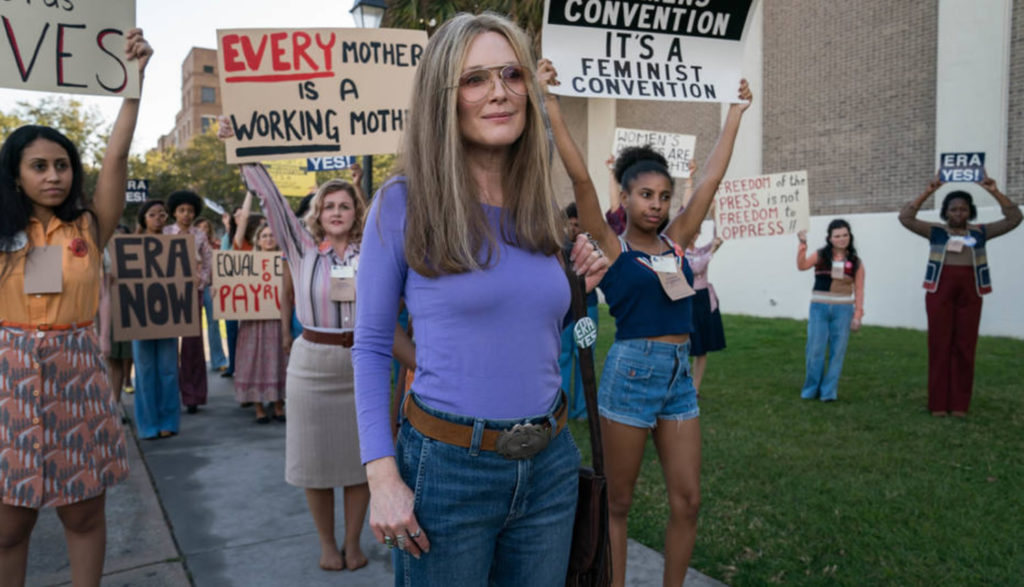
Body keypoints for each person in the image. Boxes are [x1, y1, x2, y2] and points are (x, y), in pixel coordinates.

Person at [351, 13, 608, 585]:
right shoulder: (401, 202)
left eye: (512, 74)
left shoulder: (539, 203)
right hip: (447, 472)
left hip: (550, 464)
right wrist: (381, 476)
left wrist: (576, 292)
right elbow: (370, 345)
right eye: (474, 79)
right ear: (443, 97)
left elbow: (530, 328)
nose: (499, 92)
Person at [543, 56, 752, 586]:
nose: (656, 205)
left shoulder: (676, 242)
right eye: (645, 195)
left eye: (663, 196)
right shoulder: (612, 249)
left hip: (680, 378)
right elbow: (579, 179)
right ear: (626, 197)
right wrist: (551, 104)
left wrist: (735, 113)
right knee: (619, 501)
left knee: (688, 500)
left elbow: (709, 179)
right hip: (631, 374)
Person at [0, 29, 151, 587]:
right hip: (7, 383)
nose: (53, 176)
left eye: (61, 165)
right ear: (15, 172)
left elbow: (117, 153)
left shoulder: (89, 225)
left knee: (84, 513)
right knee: (9, 525)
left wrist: (133, 83)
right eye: (38, 166)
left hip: (78, 377)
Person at [899, 176, 1021, 417]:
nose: (958, 213)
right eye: (953, 209)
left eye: (963, 209)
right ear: (946, 212)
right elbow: (906, 218)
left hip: (971, 292)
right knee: (939, 345)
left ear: (970, 211)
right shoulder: (935, 231)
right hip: (938, 291)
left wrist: (994, 191)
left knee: (965, 346)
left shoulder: (981, 232)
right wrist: (928, 191)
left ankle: (959, 404)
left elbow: (1015, 218)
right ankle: (938, 405)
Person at [796, 220, 865, 402]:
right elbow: (802, 266)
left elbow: (859, 290)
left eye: (845, 235)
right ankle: (810, 389)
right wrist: (802, 243)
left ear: (849, 236)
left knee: (837, 352)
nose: (842, 239)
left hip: (843, 310)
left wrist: (857, 315)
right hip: (819, 307)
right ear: (830, 238)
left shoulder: (856, 262)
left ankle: (828, 392)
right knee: (815, 350)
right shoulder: (821, 255)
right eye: (837, 236)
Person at [131, 200, 182, 440]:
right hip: (139, 317)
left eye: (162, 214)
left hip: (169, 315)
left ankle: (168, 422)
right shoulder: (130, 246)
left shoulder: (176, 245)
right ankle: (148, 425)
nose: (158, 218)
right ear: (143, 219)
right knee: (144, 372)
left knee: (169, 370)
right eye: (152, 214)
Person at [163, 190, 211, 413]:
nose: (186, 214)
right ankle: (171, 394)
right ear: (174, 212)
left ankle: (194, 396)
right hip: (168, 294)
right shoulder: (165, 233)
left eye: (190, 211)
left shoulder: (200, 236)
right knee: (168, 344)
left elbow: (208, 263)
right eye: (182, 210)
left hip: (193, 293)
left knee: (193, 345)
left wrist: (200, 284)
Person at [234, 221, 287, 424]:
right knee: (253, 362)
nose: (268, 239)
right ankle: (258, 407)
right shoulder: (246, 262)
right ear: (257, 240)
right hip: (252, 323)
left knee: (277, 359)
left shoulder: (285, 262)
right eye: (264, 236)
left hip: (276, 321)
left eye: (271, 235)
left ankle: (278, 404)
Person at [558, 202, 599, 419]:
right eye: (571, 224)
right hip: (565, 310)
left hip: (588, 307)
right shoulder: (557, 246)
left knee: (585, 357)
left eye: (578, 225)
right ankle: (562, 407)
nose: (574, 228)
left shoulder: (592, 247)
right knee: (563, 357)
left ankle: (583, 410)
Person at [98, 224, 135, 408]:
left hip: (127, 310)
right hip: (104, 313)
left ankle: (116, 401)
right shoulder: (98, 251)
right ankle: (111, 405)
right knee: (111, 361)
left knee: (122, 358)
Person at [685, 224, 725, 393]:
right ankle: (682, 385)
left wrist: (717, 214)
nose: (695, 234)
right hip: (688, 300)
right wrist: (712, 251)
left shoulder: (700, 251)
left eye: (697, 230)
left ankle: (695, 389)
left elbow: (717, 239)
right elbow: (695, 268)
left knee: (702, 349)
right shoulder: (680, 252)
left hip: (704, 300)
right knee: (687, 345)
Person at [194, 216, 228, 372]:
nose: (203, 230)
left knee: (214, 323)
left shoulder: (216, 245)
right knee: (192, 328)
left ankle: (218, 360)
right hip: (193, 288)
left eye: (206, 227)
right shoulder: (189, 243)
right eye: (200, 227)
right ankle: (195, 363)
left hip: (210, 287)